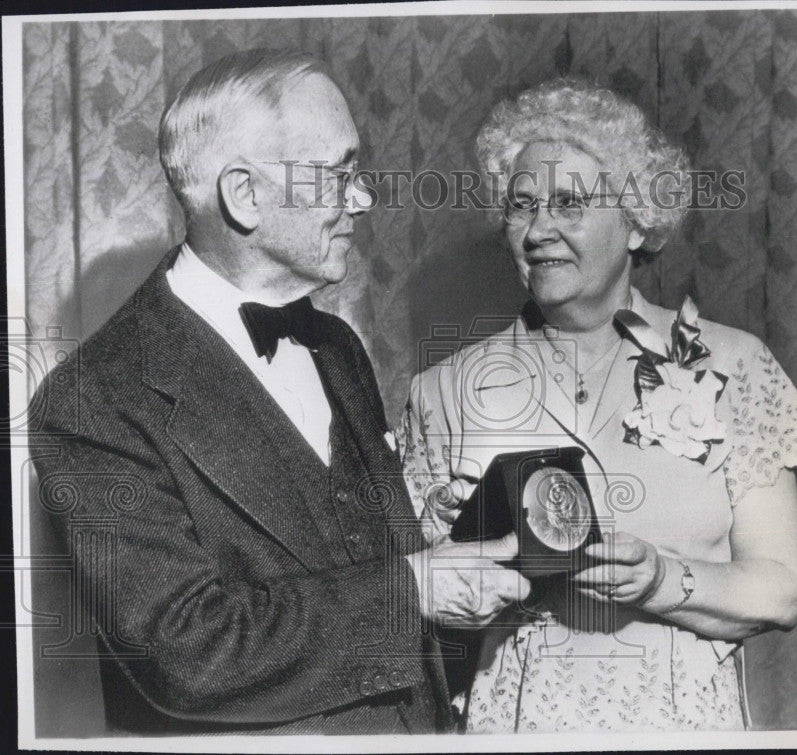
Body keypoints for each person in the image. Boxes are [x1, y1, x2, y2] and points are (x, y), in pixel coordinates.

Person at [28, 48, 526, 735]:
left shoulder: (337, 345)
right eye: (336, 174)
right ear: (244, 195)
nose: (363, 198)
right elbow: (187, 652)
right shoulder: (92, 400)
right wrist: (414, 587)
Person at [397, 78, 797, 732]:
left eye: (568, 203)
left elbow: (785, 586)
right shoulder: (442, 390)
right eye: (520, 206)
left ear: (636, 221)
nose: (538, 229)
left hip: (678, 720)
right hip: (511, 720)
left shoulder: (734, 363)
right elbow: (416, 604)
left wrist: (661, 578)